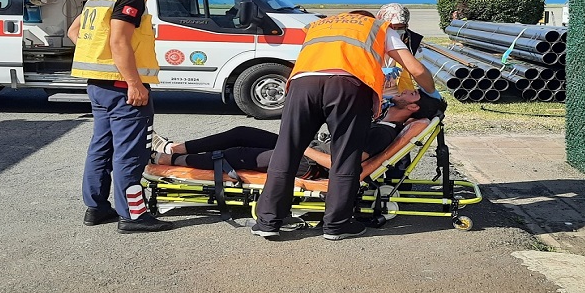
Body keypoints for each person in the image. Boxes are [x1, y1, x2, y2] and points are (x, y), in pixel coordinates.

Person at [252, 10, 442, 241]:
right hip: (348, 86)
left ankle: (268, 222)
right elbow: (417, 69)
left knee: (287, 149)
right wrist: (432, 93)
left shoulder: (318, 26)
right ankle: (336, 225)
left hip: (303, 84)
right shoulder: (377, 28)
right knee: (346, 153)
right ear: (368, 18)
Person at [67, 0, 172, 234]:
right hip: (123, 87)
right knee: (131, 152)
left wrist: (99, 58)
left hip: (99, 85)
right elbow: (119, 41)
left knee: (101, 147)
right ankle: (133, 217)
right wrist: (134, 83)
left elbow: (74, 31)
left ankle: (97, 207)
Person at [150, 90, 444, 176]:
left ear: (413, 105)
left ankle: (166, 162)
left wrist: (301, 147)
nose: (404, 90)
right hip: (309, 150)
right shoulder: (381, 121)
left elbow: (344, 166)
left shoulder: (382, 134)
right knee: (242, 130)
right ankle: (175, 148)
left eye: (410, 92)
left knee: (240, 155)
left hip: (310, 163)